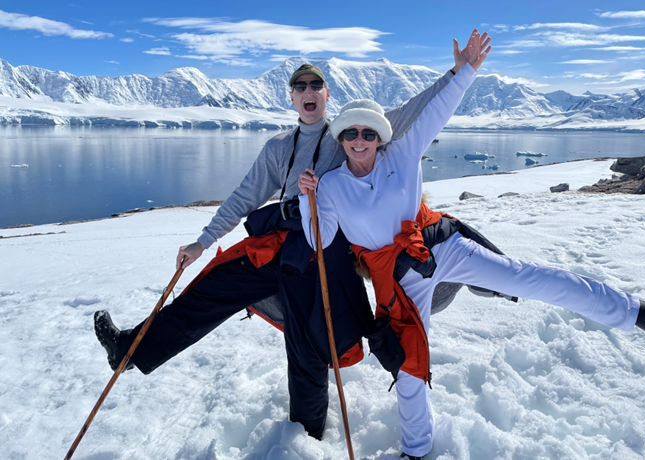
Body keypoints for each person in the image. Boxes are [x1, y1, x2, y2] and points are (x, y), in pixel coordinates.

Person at [92, 34, 489, 440]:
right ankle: (129, 349)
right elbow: (244, 198)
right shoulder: (278, 147)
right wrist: (202, 241)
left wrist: (458, 72)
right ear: (292, 99)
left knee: (310, 343)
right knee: (208, 289)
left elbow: (409, 114)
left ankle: (306, 433)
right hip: (277, 246)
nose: (308, 91)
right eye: (300, 87)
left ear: (327, 94)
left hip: (324, 253)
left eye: (315, 84)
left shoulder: (347, 133)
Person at [297, 30, 645, 459]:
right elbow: (320, 240)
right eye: (351, 134)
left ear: (379, 136)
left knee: (529, 278)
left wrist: (467, 70)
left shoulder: (401, 155)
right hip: (397, 281)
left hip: (439, 245)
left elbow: (437, 112)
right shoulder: (329, 186)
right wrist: (309, 202)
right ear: (341, 138)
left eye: (367, 132)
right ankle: (415, 450)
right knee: (409, 365)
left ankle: (629, 310)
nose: (359, 140)